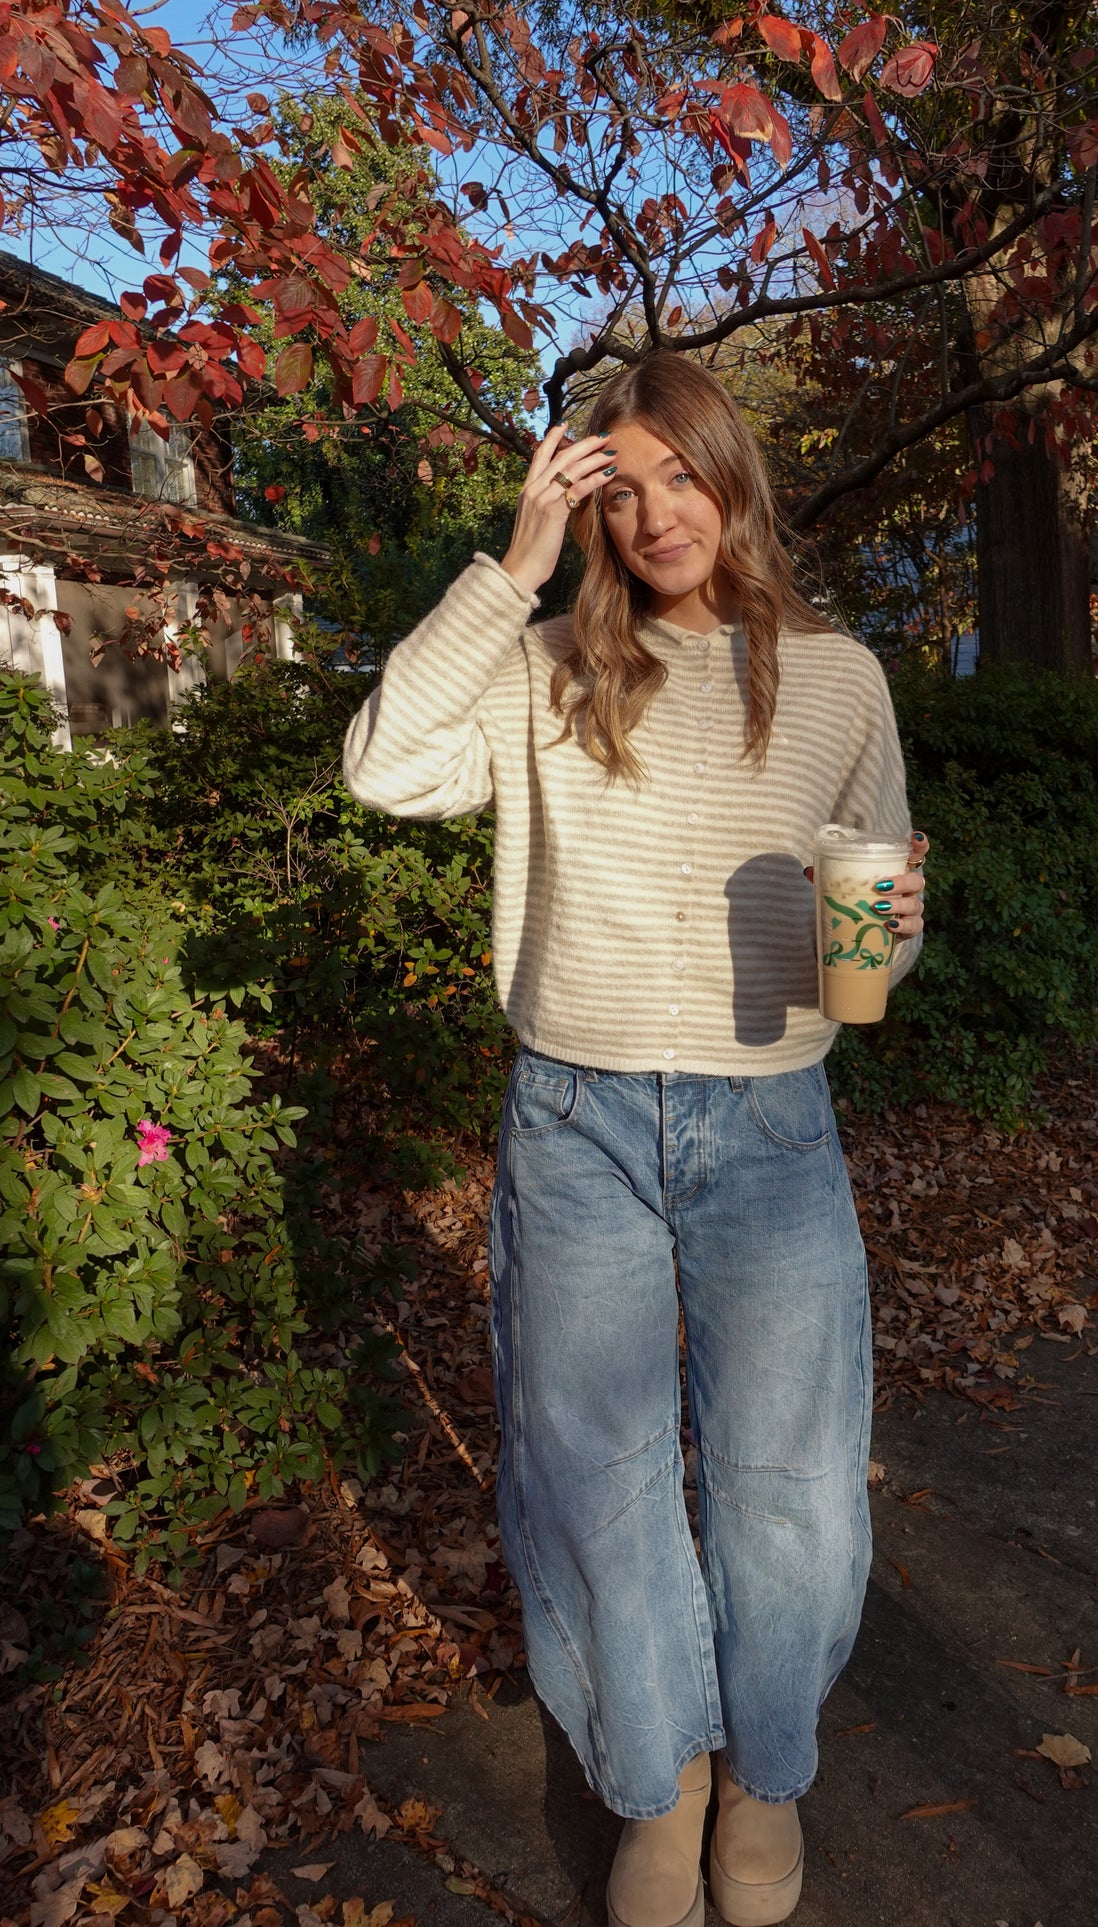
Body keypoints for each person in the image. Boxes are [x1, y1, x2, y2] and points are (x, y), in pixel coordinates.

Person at [343, 353, 926, 1927]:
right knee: (596, 1471)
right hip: (575, 1117)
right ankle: (653, 1777)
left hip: (770, 1118)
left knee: (784, 1476)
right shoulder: (542, 667)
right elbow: (385, 769)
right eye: (622, 483)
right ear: (586, 502)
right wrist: (509, 567)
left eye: (684, 474)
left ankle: (768, 1774)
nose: (659, 512)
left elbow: (868, 906)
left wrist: (891, 937)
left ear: (734, 480)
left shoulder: (841, 679)